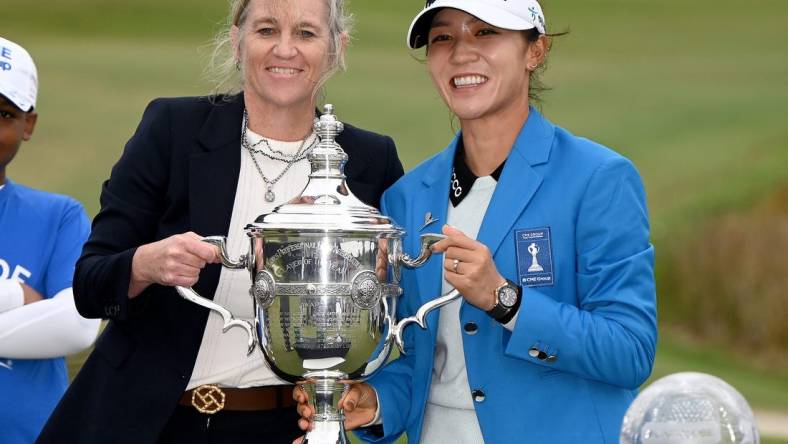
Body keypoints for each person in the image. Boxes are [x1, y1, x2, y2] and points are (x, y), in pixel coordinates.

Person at [36, 0, 404, 443]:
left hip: (284, 429)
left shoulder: (371, 160)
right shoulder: (173, 129)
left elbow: (388, 310)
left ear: (336, 48)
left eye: (306, 34)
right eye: (266, 30)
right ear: (237, 40)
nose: (284, 50)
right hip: (144, 422)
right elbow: (89, 286)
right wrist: (144, 264)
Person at [295, 0, 657, 442]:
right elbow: (423, 357)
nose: (462, 53)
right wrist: (376, 401)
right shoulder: (407, 197)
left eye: (485, 32)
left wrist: (505, 300)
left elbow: (630, 352)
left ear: (534, 51)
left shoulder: (598, 179)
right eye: (443, 37)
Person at [0, 36, 99, 444]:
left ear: (29, 125)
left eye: (4, 114)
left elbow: (77, 324)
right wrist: (20, 297)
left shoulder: (58, 216)